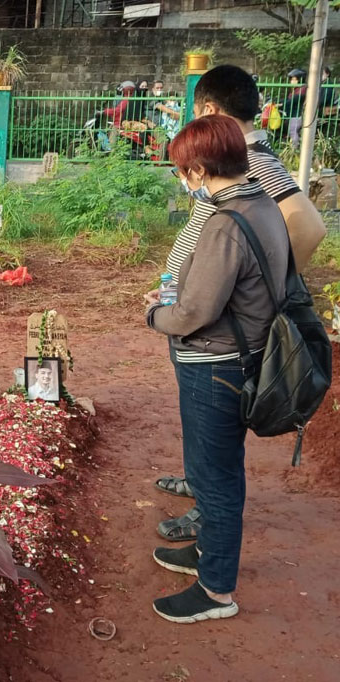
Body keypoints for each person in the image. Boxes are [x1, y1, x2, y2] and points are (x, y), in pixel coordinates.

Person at [156, 65, 326, 542]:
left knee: (214, 421)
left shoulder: (251, 160)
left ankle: (209, 518)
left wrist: (258, 290)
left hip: (218, 327)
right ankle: (198, 481)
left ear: (210, 110)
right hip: (198, 315)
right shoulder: (235, 156)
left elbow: (308, 227)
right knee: (199, 415)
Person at [145, 114, 289, 624]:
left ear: (201, 170)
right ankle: (207, 553)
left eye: (183, 171)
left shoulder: (225, 224)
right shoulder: (261, 204)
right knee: (217, 468)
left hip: (217, 363)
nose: (182, 180)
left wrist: (155, 313)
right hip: (240, 355)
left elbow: (194, 313)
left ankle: (216, 591)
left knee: (216, 477)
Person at [283, 68, 308, 146]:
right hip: (293, 115)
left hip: (297, 115)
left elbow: (293, 100)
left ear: (300, 80)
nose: (292, 82)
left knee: (293, 131)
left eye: (294, 79)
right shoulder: (296, 89)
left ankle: (294, 149)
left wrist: (282, 104)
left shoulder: (302, 89)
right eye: (292, 80)